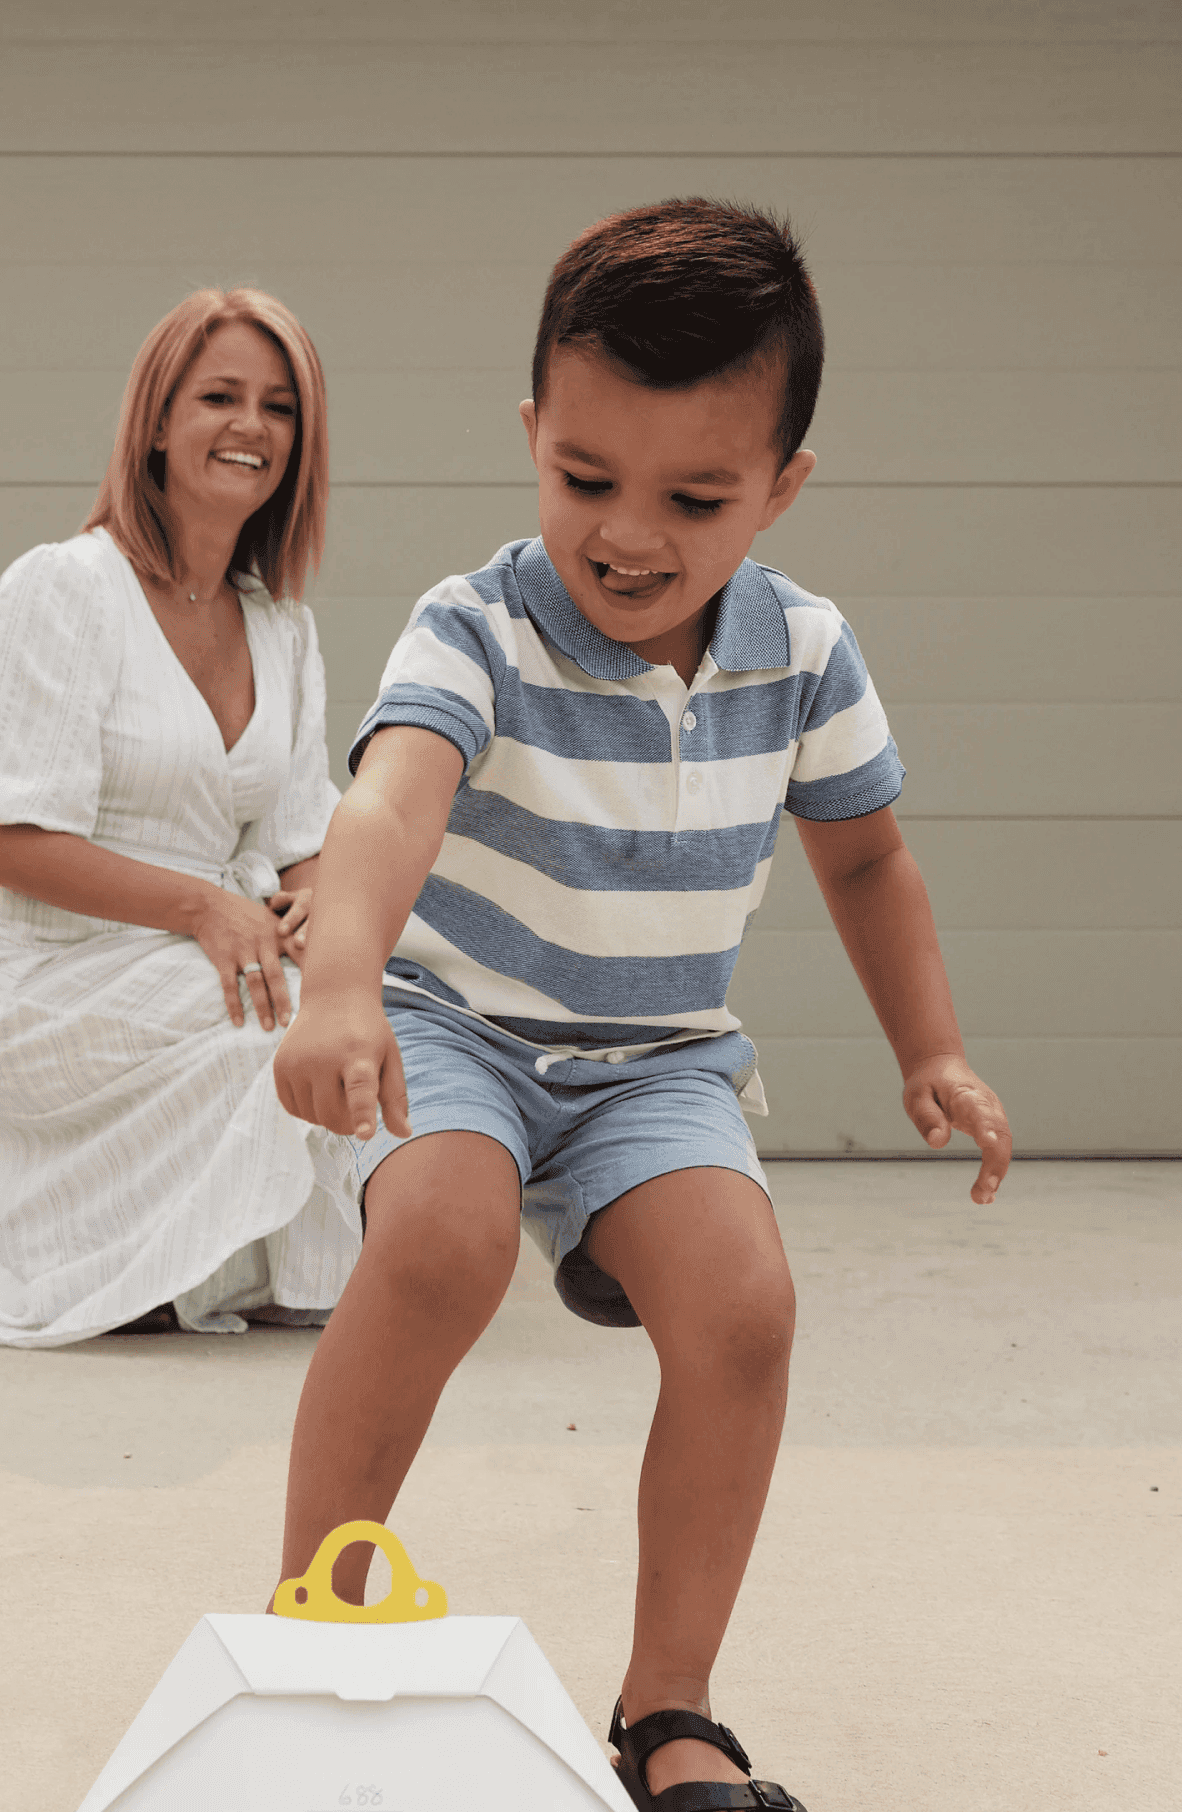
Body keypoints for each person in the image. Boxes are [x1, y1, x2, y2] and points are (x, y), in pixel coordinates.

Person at [270, 201, 1013, 1810]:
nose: (628, 533)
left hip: (657, 1063)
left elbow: (869, 859)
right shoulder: (478, 625)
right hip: (455, 1023)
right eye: (584, 478)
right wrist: (338, 989)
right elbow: (390, 809)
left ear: (782, 488)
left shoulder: (805, 653)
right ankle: (315, 1617)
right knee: (446, 1242)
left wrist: (932, 1046)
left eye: (696, 496)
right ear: (533, 434)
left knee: (746, 1310)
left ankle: (669, 1713)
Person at [0, 288, 357, 1348]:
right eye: (219, 396)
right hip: (39, 966)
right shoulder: (64, 590)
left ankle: (240, 1264)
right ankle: (122, 1263)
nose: (250, 427)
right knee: (276, 1040)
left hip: (205, 948)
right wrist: (202, 908)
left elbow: (300, 832)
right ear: (154, 421)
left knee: (369, 1009)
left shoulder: (281, 627)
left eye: (279, 407)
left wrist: (319, 912)